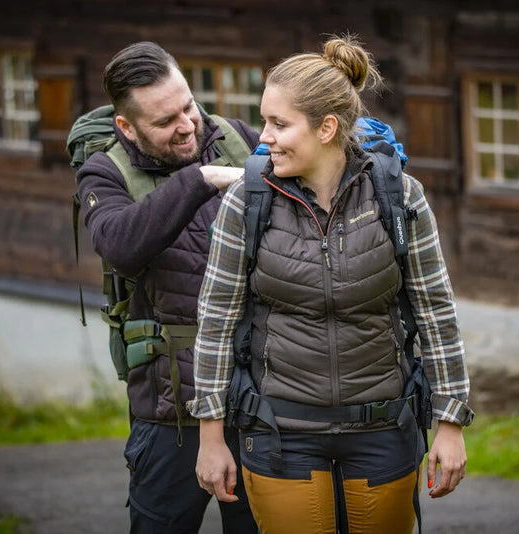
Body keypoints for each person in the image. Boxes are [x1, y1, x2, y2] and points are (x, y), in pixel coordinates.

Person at [190, 35, 474, 533]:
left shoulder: (399, 196)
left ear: (326, 128)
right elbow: (216, 321)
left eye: (279, 124)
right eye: (264, 121)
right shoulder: (246, 200)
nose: (264, 137)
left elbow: (435, 312)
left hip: (384, 428)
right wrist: (211, 437)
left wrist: (450, 422)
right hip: (280, 432)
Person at [75, 41, 260, 534]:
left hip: (255, 397)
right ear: (126, 126)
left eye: (188, 107)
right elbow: (120, 244)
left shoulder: (238, 139)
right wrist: (200, 178)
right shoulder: (104, 173)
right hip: (169, 412)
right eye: (165, 121)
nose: (186, 126)